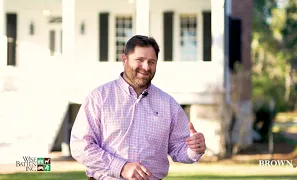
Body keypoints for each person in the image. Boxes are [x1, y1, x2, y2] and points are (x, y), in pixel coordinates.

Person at [70, 35, 206, 180]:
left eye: (151, 62)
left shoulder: (169, 104)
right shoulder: (99, 97)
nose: (146, 67)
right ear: (124, 59)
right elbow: (80, 146)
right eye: (140, 60)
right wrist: (121, 167)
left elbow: (179, 149)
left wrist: (194, 149)